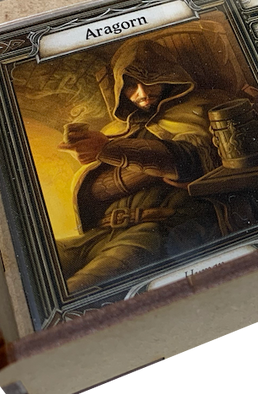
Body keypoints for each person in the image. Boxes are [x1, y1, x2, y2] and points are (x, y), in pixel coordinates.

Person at [54, 36, 232, 293]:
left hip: (158, 231)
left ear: (170, 77)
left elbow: (190, 160)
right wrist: (91, 154)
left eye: (150, 80)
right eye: (131, 84)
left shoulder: (198, 109)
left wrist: (106, 150)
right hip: (101, 234)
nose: (142, 93)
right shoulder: (114, 130)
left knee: (79, 290)